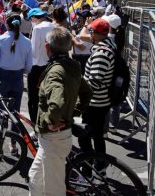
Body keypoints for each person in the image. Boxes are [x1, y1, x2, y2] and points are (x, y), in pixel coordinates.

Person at [28, 27, 93, 195]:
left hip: (53, 138)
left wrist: (52, 121)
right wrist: (74, 111)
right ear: (70, 47)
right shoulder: (71, 66)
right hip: (52, 139)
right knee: (35, 179)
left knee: (53, 189)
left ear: (47, 48)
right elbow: (87, 92)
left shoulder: (55, 72)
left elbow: (56, 104)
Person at [0, 13, 32, 154]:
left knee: (1, 113)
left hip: (2, 77)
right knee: (15, 113)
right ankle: (13, 145)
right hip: (18, 77)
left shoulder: (0, 39)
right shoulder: (26, 41)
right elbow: (28, 66)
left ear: (6, 24)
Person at [78, 18, 116, 176]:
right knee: (98, 135)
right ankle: (100, 167)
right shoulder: (108, 44)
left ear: (96, 33)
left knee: (84, 137)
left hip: (95, 103)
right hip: (103, 102)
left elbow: (94, 83)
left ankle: (88, 173)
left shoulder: (101, 54)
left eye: (91, 31)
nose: (89, 33)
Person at [27, 8, 55, 130]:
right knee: (47, 98)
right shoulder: (53, 26)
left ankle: (36, 126)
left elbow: (33, 52)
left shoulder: (37, 28)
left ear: (33, 18)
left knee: (34, 99)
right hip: (50, 65)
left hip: (37, 67)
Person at [102, 14, 125, 137]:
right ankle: (113, 127)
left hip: (110, 70)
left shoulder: (108, 37)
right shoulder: (120, 35)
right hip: (119, 71)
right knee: (115, 102)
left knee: (106, 101)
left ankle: (104, 130)